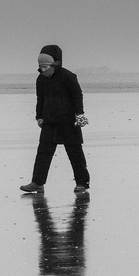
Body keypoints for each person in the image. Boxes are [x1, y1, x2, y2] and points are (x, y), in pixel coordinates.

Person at [20, 44, 89, 195]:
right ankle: (37, 183)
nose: (42, 70)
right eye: (40, 67)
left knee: (75, 153)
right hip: (49, 122)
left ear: (55, 64)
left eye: (45, 67)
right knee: (43, 153)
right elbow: (40, 98)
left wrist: (80, 114)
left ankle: (82, 183)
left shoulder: (68, 77)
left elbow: (77, 95)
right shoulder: (41, 80)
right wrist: (39, 116)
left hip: (69, 122)